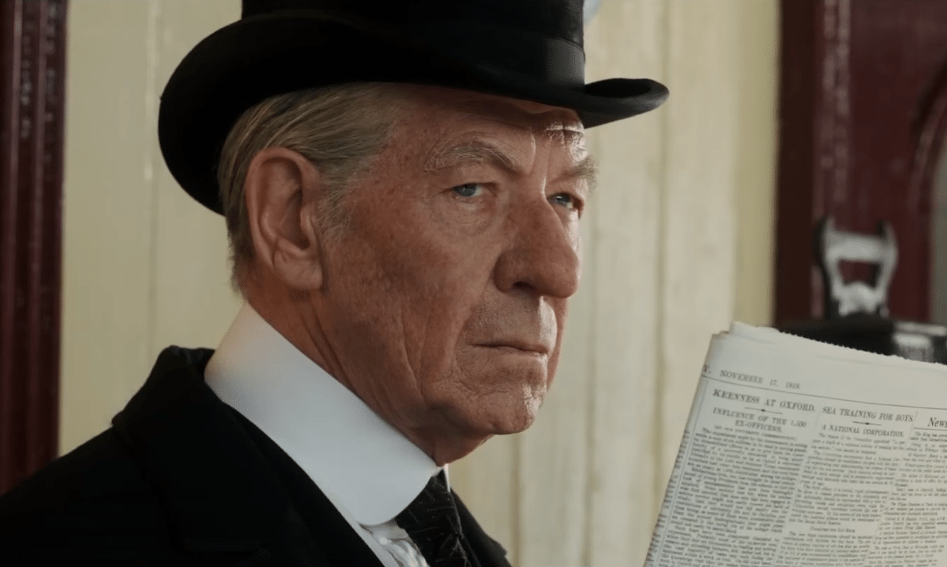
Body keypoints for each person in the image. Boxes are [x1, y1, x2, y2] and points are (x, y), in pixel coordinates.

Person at [0, 0, 667, 565]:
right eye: (472, 188)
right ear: (292, 218)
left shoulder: (449, 540)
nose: (558, 271)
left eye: (564, 199)